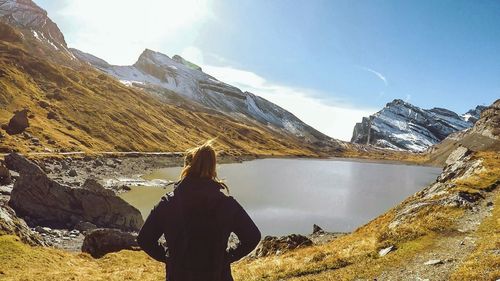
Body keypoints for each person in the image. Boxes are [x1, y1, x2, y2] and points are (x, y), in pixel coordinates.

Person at [137, 140, 261, 281]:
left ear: (186, 167)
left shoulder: (168, 203)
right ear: (213, 168)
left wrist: (169, 257)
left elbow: (144, 239)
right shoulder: (227, 204)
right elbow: (253, 236)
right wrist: (227, 257)